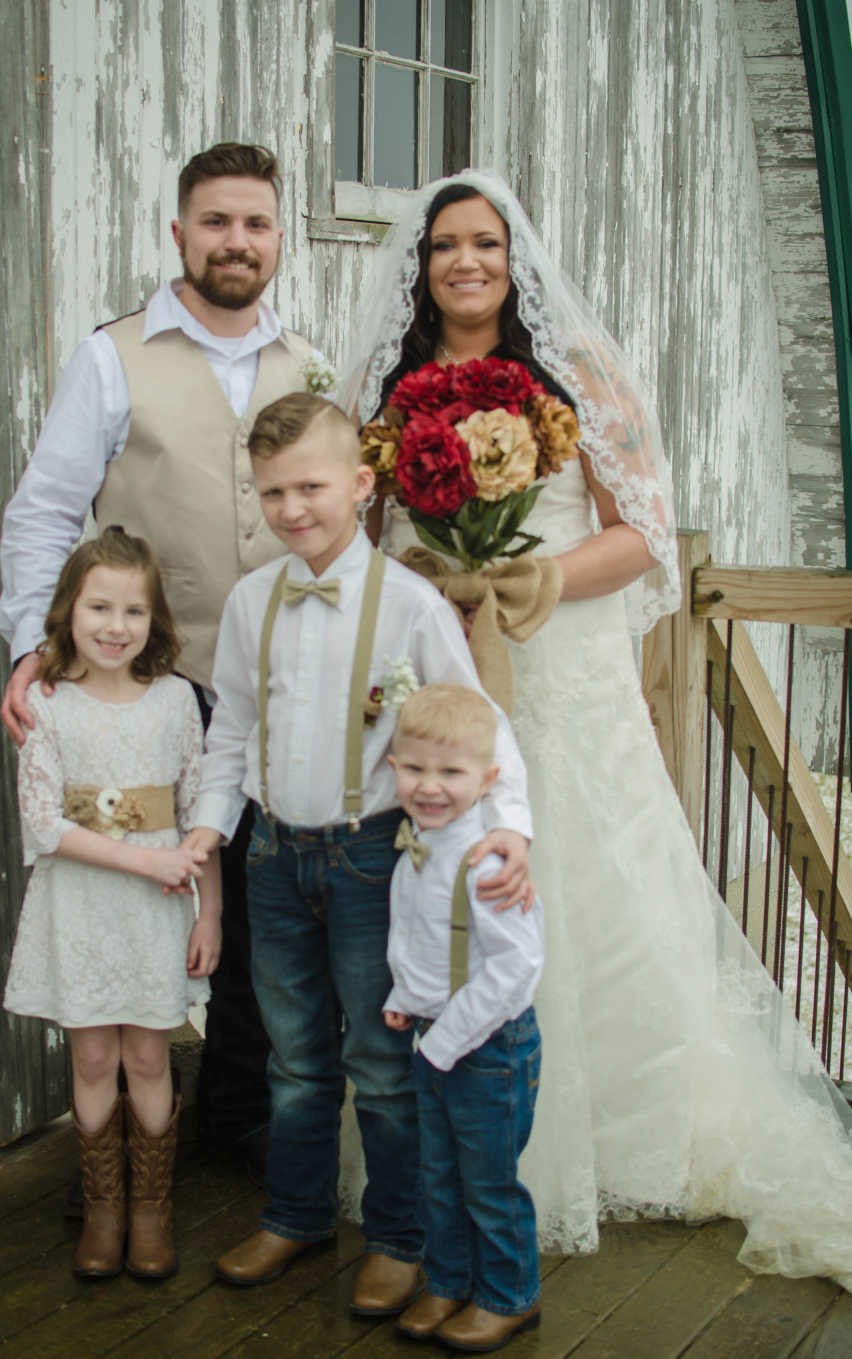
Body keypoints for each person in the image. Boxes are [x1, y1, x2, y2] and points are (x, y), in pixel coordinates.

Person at [340, 169, 852, 1291]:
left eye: (484, 243)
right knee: (457, 879)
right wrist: (438, 573)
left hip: (560, 660)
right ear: (420, 266)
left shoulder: (578, 379)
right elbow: (365, 539)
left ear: (515, 258)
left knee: (590, 882)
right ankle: (464, 1145)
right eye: (442, 247)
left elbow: (644, 539)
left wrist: (529, 572)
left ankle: (619, 1137)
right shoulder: (399, 393)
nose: (463, 262)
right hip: (446, 670)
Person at [0, 141, 321, 1162]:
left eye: (256, 223)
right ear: (179, 233)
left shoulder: (307, 367)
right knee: (126, 891)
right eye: (216, 222)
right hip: (143, 696)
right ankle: (111, 1154)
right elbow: (45, 513)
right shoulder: (114, 352)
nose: (237, 241)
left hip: (280, 688)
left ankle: (236, 1124)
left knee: (261, 917)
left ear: (280, 239)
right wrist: (28, 651)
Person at [184, 392, 535, 1315]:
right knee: (294, 1056)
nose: (292, 508)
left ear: (360, 483)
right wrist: (209, 830)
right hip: (270, 857)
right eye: (272, 493)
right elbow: (232, 732)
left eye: (310, 486)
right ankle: (295, 1214)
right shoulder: (250, 600)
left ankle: (398, 1237)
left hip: (373, 857)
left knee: (381, 1064)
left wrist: (512, 826)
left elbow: (480, 727)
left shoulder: (410, 605)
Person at [3, 526, 222, 1280]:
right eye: (99, 606)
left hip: (157, 910)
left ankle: (151, 1208)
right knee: (94, 1051)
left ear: (154, 620)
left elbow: (200, 816)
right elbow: (44, 821)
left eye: (133, 611)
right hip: (83, 901)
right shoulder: (48, 702)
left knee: (148, 1050)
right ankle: (102, 1205)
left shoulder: (173, 701)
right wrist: (144, 857)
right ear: (69, 611)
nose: (114, 626)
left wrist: (210, 910)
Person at [384, 685, 544, 1351]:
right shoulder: (418, 842)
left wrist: (444, 1040)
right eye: (414, 768)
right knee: (438, 1176)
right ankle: (449, 1280)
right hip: (434, 1038)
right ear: (391, 765)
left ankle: (509, 1295)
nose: (430, 786)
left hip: (490, 1048)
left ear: (488, 777)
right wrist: (404, 995)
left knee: (487, 1182)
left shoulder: (489, 861)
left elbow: (515, 968)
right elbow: (416, 934)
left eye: (451, 772)